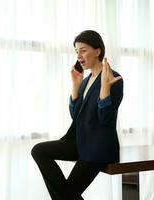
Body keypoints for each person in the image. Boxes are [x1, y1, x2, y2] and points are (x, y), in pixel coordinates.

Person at [31, 30, 123, 200]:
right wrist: (75, 86)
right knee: (39, 151)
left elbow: (106, 119)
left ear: (97, 51)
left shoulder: (112, 77)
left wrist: (105, 88)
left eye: (83, 50)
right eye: (76, 51)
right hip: (80, 142)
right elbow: (76, 116)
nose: (79, 55)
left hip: (98, 148)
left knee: (66, 195)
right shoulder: (86, 80)